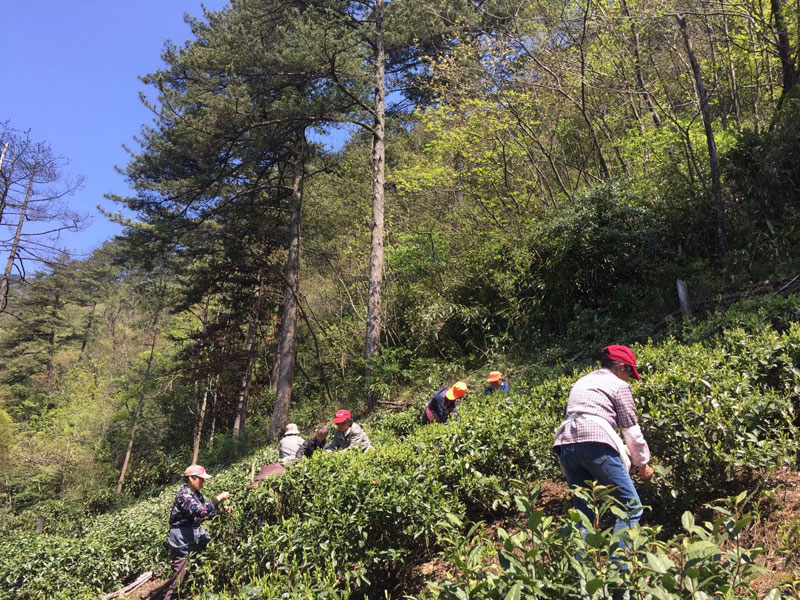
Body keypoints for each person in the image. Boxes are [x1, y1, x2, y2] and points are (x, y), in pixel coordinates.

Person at [553, 345, 654, 569]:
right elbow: (631, 429)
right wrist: (642, 463)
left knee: (585, 513)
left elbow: (588, 418)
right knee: (631, 508)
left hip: (566, 445)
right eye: (629, 372)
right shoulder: (619, 385)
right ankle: (620, 573)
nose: (629, 378)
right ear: (620, 367)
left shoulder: (582, 381)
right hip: (596, 443)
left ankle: (582, 579)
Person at [163, 465, 231, 600]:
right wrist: (217, 499)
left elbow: (203, 515)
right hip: (181, 537)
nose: (203, 482)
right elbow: (201, 511)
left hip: (193, 533)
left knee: (201, 565)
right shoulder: (184, 495)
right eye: (201, 479)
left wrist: (220, 512)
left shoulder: (197, 495)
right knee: (180, 578)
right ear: (191, 478)